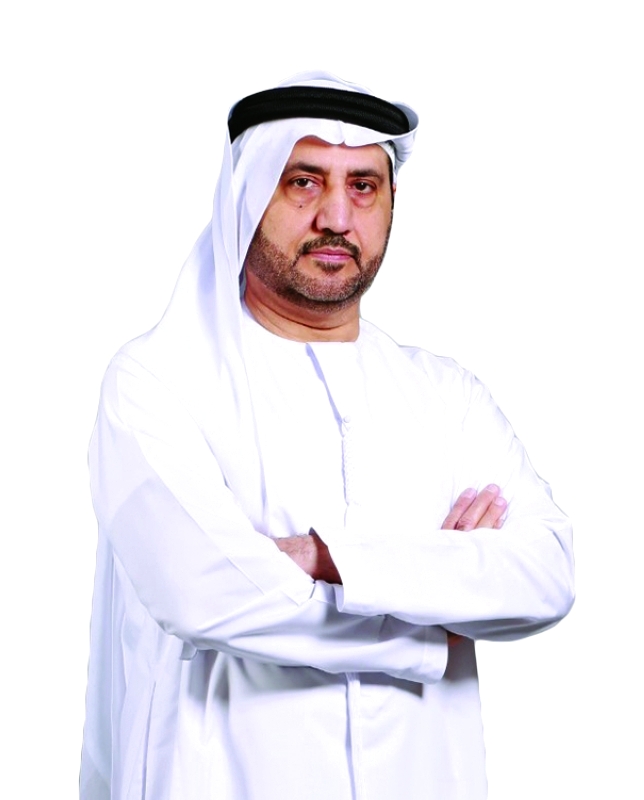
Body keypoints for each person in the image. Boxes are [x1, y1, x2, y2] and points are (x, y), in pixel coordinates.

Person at [80, 72, 574, 800]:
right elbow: (204, 596)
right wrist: (433, 618)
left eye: (363, 187)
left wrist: (321, 556)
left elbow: (547, 573)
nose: (337, 217)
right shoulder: (156, 382)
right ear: (249, 195)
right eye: (303, 182)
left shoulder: (447, 396)